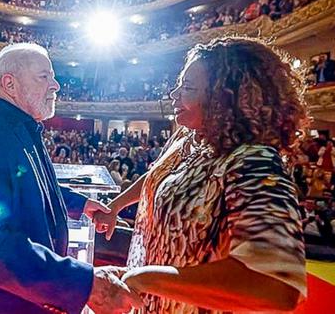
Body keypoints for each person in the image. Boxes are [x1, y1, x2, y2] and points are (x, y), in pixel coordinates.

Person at [95, 37, 307, 312]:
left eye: (188, 88)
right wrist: (116, 205)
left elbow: (276, 286)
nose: (174, 95)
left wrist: (148, 277)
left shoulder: (253, 162)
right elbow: (156, 177)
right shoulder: (189, 137)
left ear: (224, 98)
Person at [0, 43, 141, 314]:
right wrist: (84, 283)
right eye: (44, 76)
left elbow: (33, 184)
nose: (56, 85)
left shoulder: (24, 131)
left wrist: (81, 204)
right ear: (10, 84)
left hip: (26, 299)